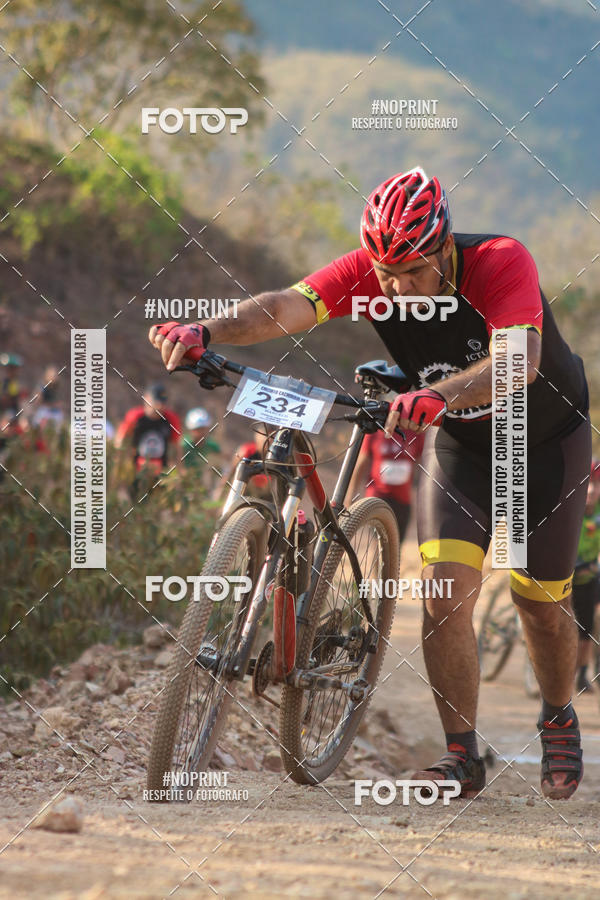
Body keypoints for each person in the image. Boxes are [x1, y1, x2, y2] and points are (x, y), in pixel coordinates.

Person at [149, 166, 591, 800]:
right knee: (443, 598)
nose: (398, 285)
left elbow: (518, 361)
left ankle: (557, 715)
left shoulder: (499, 261)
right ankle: (462, 755)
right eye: (387, 273)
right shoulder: (373, 270)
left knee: (539, 605)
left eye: (414, 271)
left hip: (541, 443)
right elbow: (281, 307)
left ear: (444, 247)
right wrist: (205, 331)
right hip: (464, 444)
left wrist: (433, 394)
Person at [346, 426, 424, 544]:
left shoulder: (416, 431)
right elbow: (361, 464)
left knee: (396, 547)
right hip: (377, 497)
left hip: (403, 500)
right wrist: (350, 495)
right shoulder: (375, 430)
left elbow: (424, 466)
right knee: (378, 545)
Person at [115, 383, 182, 481]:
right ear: (146, 399)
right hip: (135, 469)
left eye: (162, 403)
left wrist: (178, 472)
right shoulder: (135, 416)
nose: (159, 406)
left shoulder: (171, 419)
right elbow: (120, 440)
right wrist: (119, 467)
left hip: (161, 471)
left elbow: (177, 447)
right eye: (156, 401)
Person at [572, 460, 600, 693]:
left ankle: (582, 674)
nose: (591, 489)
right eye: (588, 483)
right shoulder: (570, 507)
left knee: (586, 627)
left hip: (588, 574)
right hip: (562, 572)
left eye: (597, 484)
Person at [182, 407, 221, 486]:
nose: (201, 432)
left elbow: (220, 464)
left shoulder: (212, 446)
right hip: (185, 482)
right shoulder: (183, 445)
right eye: (198, 429)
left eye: (204, 429)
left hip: (203, 485)